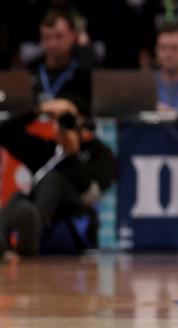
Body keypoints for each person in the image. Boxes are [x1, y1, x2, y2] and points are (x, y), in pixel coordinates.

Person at [0, 96, 116, 257]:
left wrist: (72, 156)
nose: (64, 125)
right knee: (19, 198)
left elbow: (91, 197)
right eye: (59, 119)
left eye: (70, 119)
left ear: (84, 122)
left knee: (51, 179)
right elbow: (4, 133)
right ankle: (3, 242)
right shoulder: (47, 148)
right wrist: (38, 110)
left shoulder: (100, 152)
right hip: (43, 218)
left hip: (73, 222)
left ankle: (31, 237)